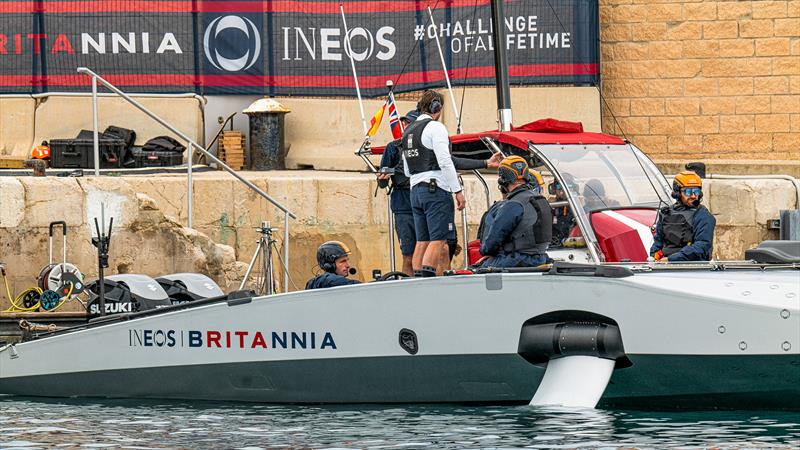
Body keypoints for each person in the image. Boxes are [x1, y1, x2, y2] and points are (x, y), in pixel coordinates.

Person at [400, 90, 463, 277]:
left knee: (422, 240)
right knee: (438, 239)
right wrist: (457, 190)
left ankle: (418, 282)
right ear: (437, 107)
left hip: (415, 190)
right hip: (435, 189)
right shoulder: (436, 128)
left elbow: (406, 170)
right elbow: (444, 160)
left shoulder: (407, 131)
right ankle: (427, 281)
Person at [478, 156, 552, 268]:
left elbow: (491, 244)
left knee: (479, 267)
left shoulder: (513, 204)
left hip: (518, 260)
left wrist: (485, 251)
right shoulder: (540, 200)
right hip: (541, 257)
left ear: (503, 180)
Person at [377, 110, 420, 275]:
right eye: (405, 123)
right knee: (408, 255)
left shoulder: (428, 145)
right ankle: (409, 290)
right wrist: (383, 178)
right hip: (403, 206)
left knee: (431, 251)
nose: (406, 126)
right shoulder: (393, 147)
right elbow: (382, 183)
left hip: (425, 203)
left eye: (410, 123)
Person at [650, 170, 716, 262]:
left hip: (694, 267)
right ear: (678, 192)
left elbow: (702, 245)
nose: (693, 196)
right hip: (664, 264)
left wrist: (671, 259)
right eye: (688, 192)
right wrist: (654, 255)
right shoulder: (666, 213)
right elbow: (658, 241)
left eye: (696, 191)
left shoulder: (703, 215)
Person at [550, 176, 576, 247]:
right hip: (555, 243)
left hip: (572, 243)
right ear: (554, 189)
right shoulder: (551, 206)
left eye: (568, 187)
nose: (562, 191)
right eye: (559, 187)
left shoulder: (576, 207)